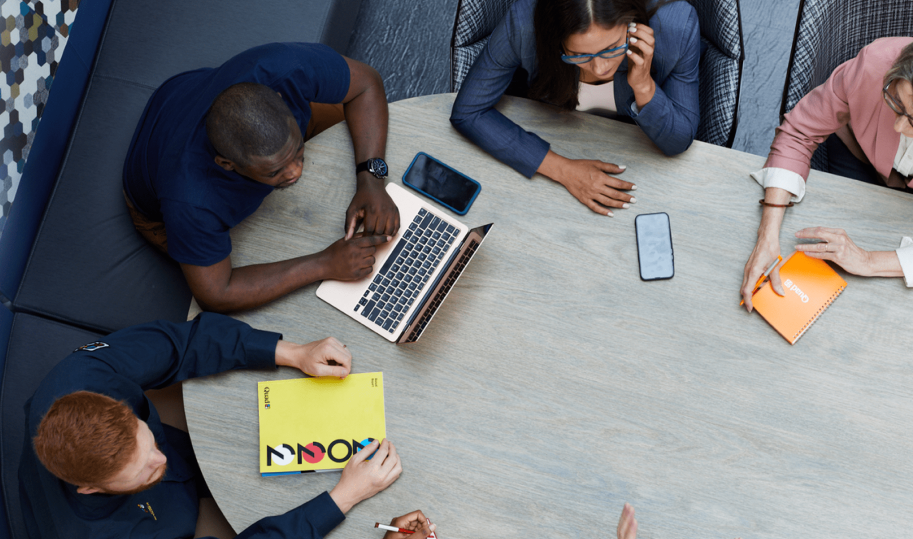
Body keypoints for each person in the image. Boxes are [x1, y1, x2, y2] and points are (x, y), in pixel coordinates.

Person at [20, 313, 408, 539]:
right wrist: (344, 497)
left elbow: (179, 343)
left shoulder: (81, 377)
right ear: (90, 487)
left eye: (148, 438)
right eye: (144, 470)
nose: (161, 458)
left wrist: (291, 352)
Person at [123, 42, 401, 313]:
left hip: (188, 94)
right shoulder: (190, 200)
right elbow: (218, 294)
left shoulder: (284, 68)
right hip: (157, 203)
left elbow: (366, 83)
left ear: (279, 99)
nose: (296, 172)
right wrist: (324, 263)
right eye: (275, 171)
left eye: (298, 153)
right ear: (227, 164)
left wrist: (371, 178)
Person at [741, 29, 913, 310]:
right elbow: (799, 132)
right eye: (896, 102)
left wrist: (869, 261)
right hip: (859, 155)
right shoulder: (876, 63)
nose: (898, 128)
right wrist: (767, 236)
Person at [450, 0, 700, 216]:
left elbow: (678, 141)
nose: (601, 68)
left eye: (612, 48)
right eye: (579, 55)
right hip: (551, 139)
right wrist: (564, 170)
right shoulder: (525, 23)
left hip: (637, 158)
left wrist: (644, 86)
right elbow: (469, 112)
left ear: (631, 24)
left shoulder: (676, 26)